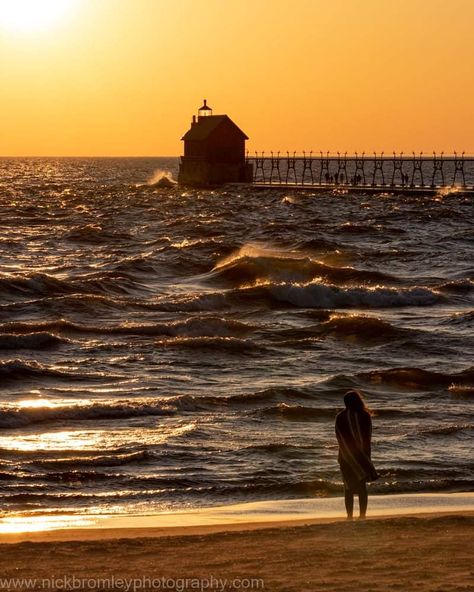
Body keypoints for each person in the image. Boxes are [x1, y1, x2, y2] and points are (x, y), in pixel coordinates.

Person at [335, 390, 378, 519]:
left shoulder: (340, 416)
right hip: (362, 456)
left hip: (345, 456)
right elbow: (367, 438)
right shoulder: (364, 415)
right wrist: (366, 457)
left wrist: (346, 453)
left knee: (348, 487)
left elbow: (339, 437)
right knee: (361, 487)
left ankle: (349, 516)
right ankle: (362, 515)